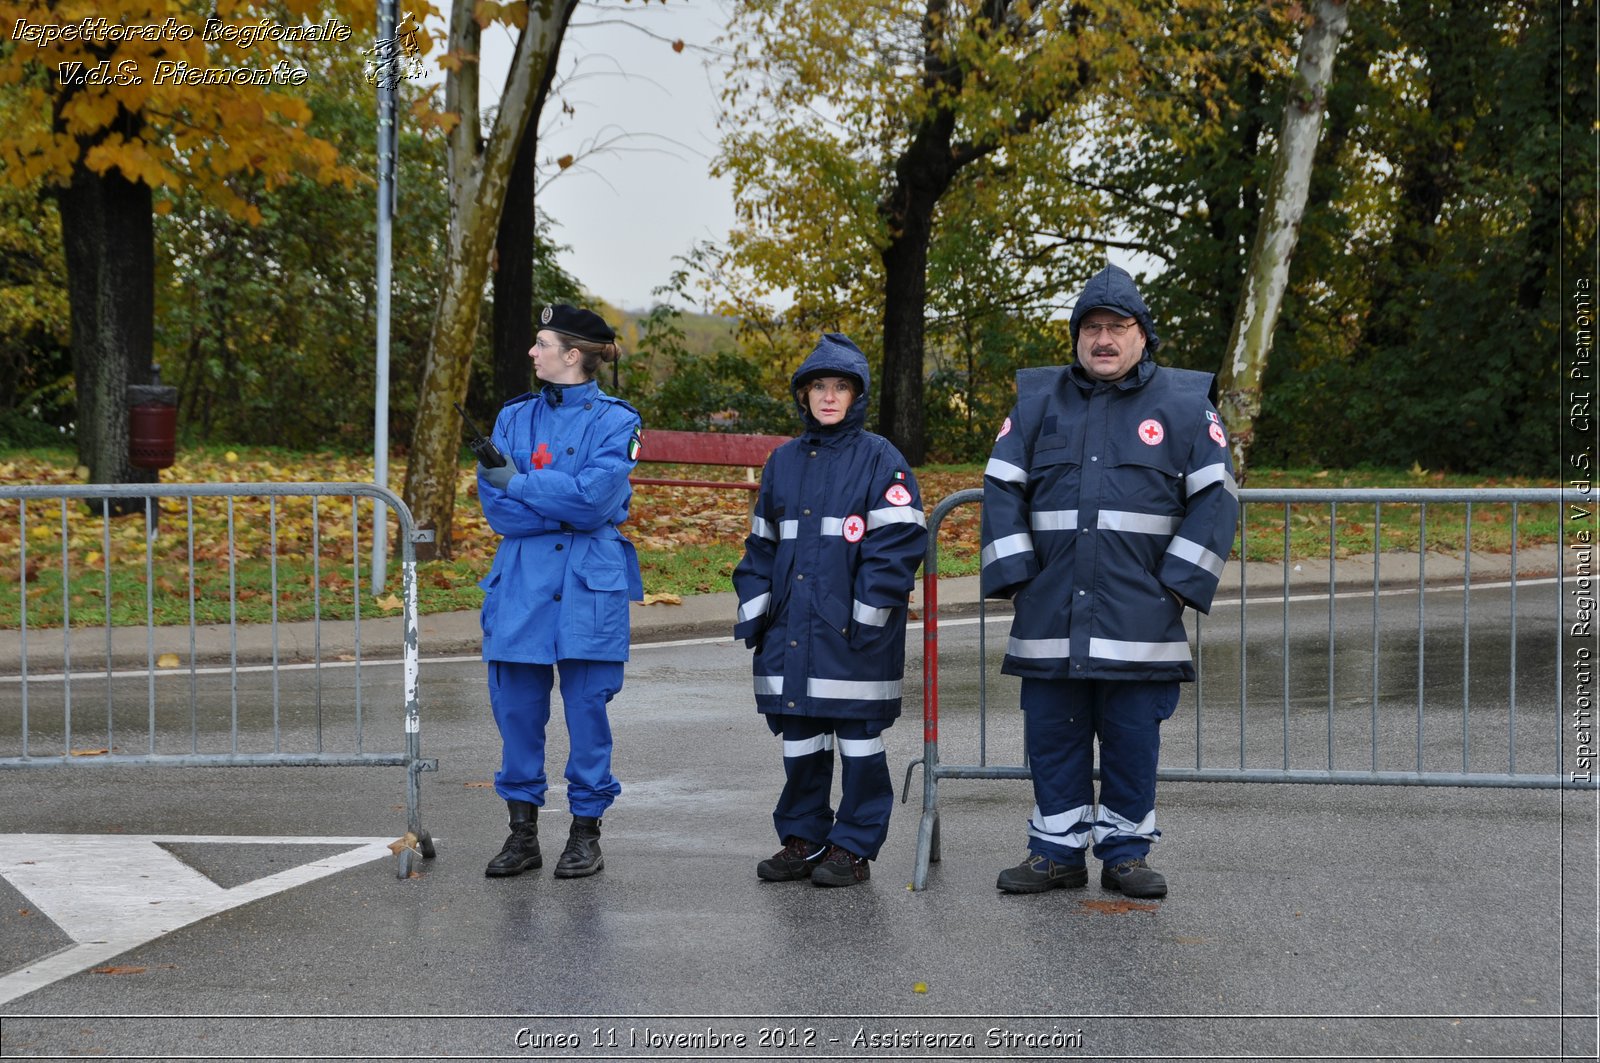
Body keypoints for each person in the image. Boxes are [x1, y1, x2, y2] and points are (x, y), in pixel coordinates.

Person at [980, 265, 1239, 899]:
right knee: (1053, 732)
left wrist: (1175, 589)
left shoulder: (1184, 407)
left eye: (1117, 327)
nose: (1103, 339)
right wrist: (1019, 582)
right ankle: (1057, 852)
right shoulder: (1038, 404)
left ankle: (1125, 854)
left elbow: (1217, 499)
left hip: (1140, 618)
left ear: (1142, 336)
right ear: (1076, 337)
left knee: (1130, 739)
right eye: (1091, 327)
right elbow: (1001, 488)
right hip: (1051, 613)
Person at [732, 333, 927, 887]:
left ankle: (854, 846)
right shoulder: (783, 462)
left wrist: (865, 615)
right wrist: (758, 612)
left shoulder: (881, 459)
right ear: (804, 394)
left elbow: (896, 547)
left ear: (857, 395)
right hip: (793, 631)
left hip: (855, 635)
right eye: (819, 386)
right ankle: (803, 837)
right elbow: (761, 545)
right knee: (801, 740)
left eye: (841, 386)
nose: (828, 396)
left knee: (860, 742)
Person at [475, 303, 644, 880]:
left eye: (541, 342)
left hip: (587, 587)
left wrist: (522, 482)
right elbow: (498, 512)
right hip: (521, 582)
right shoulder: (512, 418)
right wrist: (565, 507)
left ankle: (584, 834)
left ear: (572, 355)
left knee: (587, 712)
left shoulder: (617, 420)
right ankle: (522, 835)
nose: (531, 352)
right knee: (516, 713)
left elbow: (595, 500)